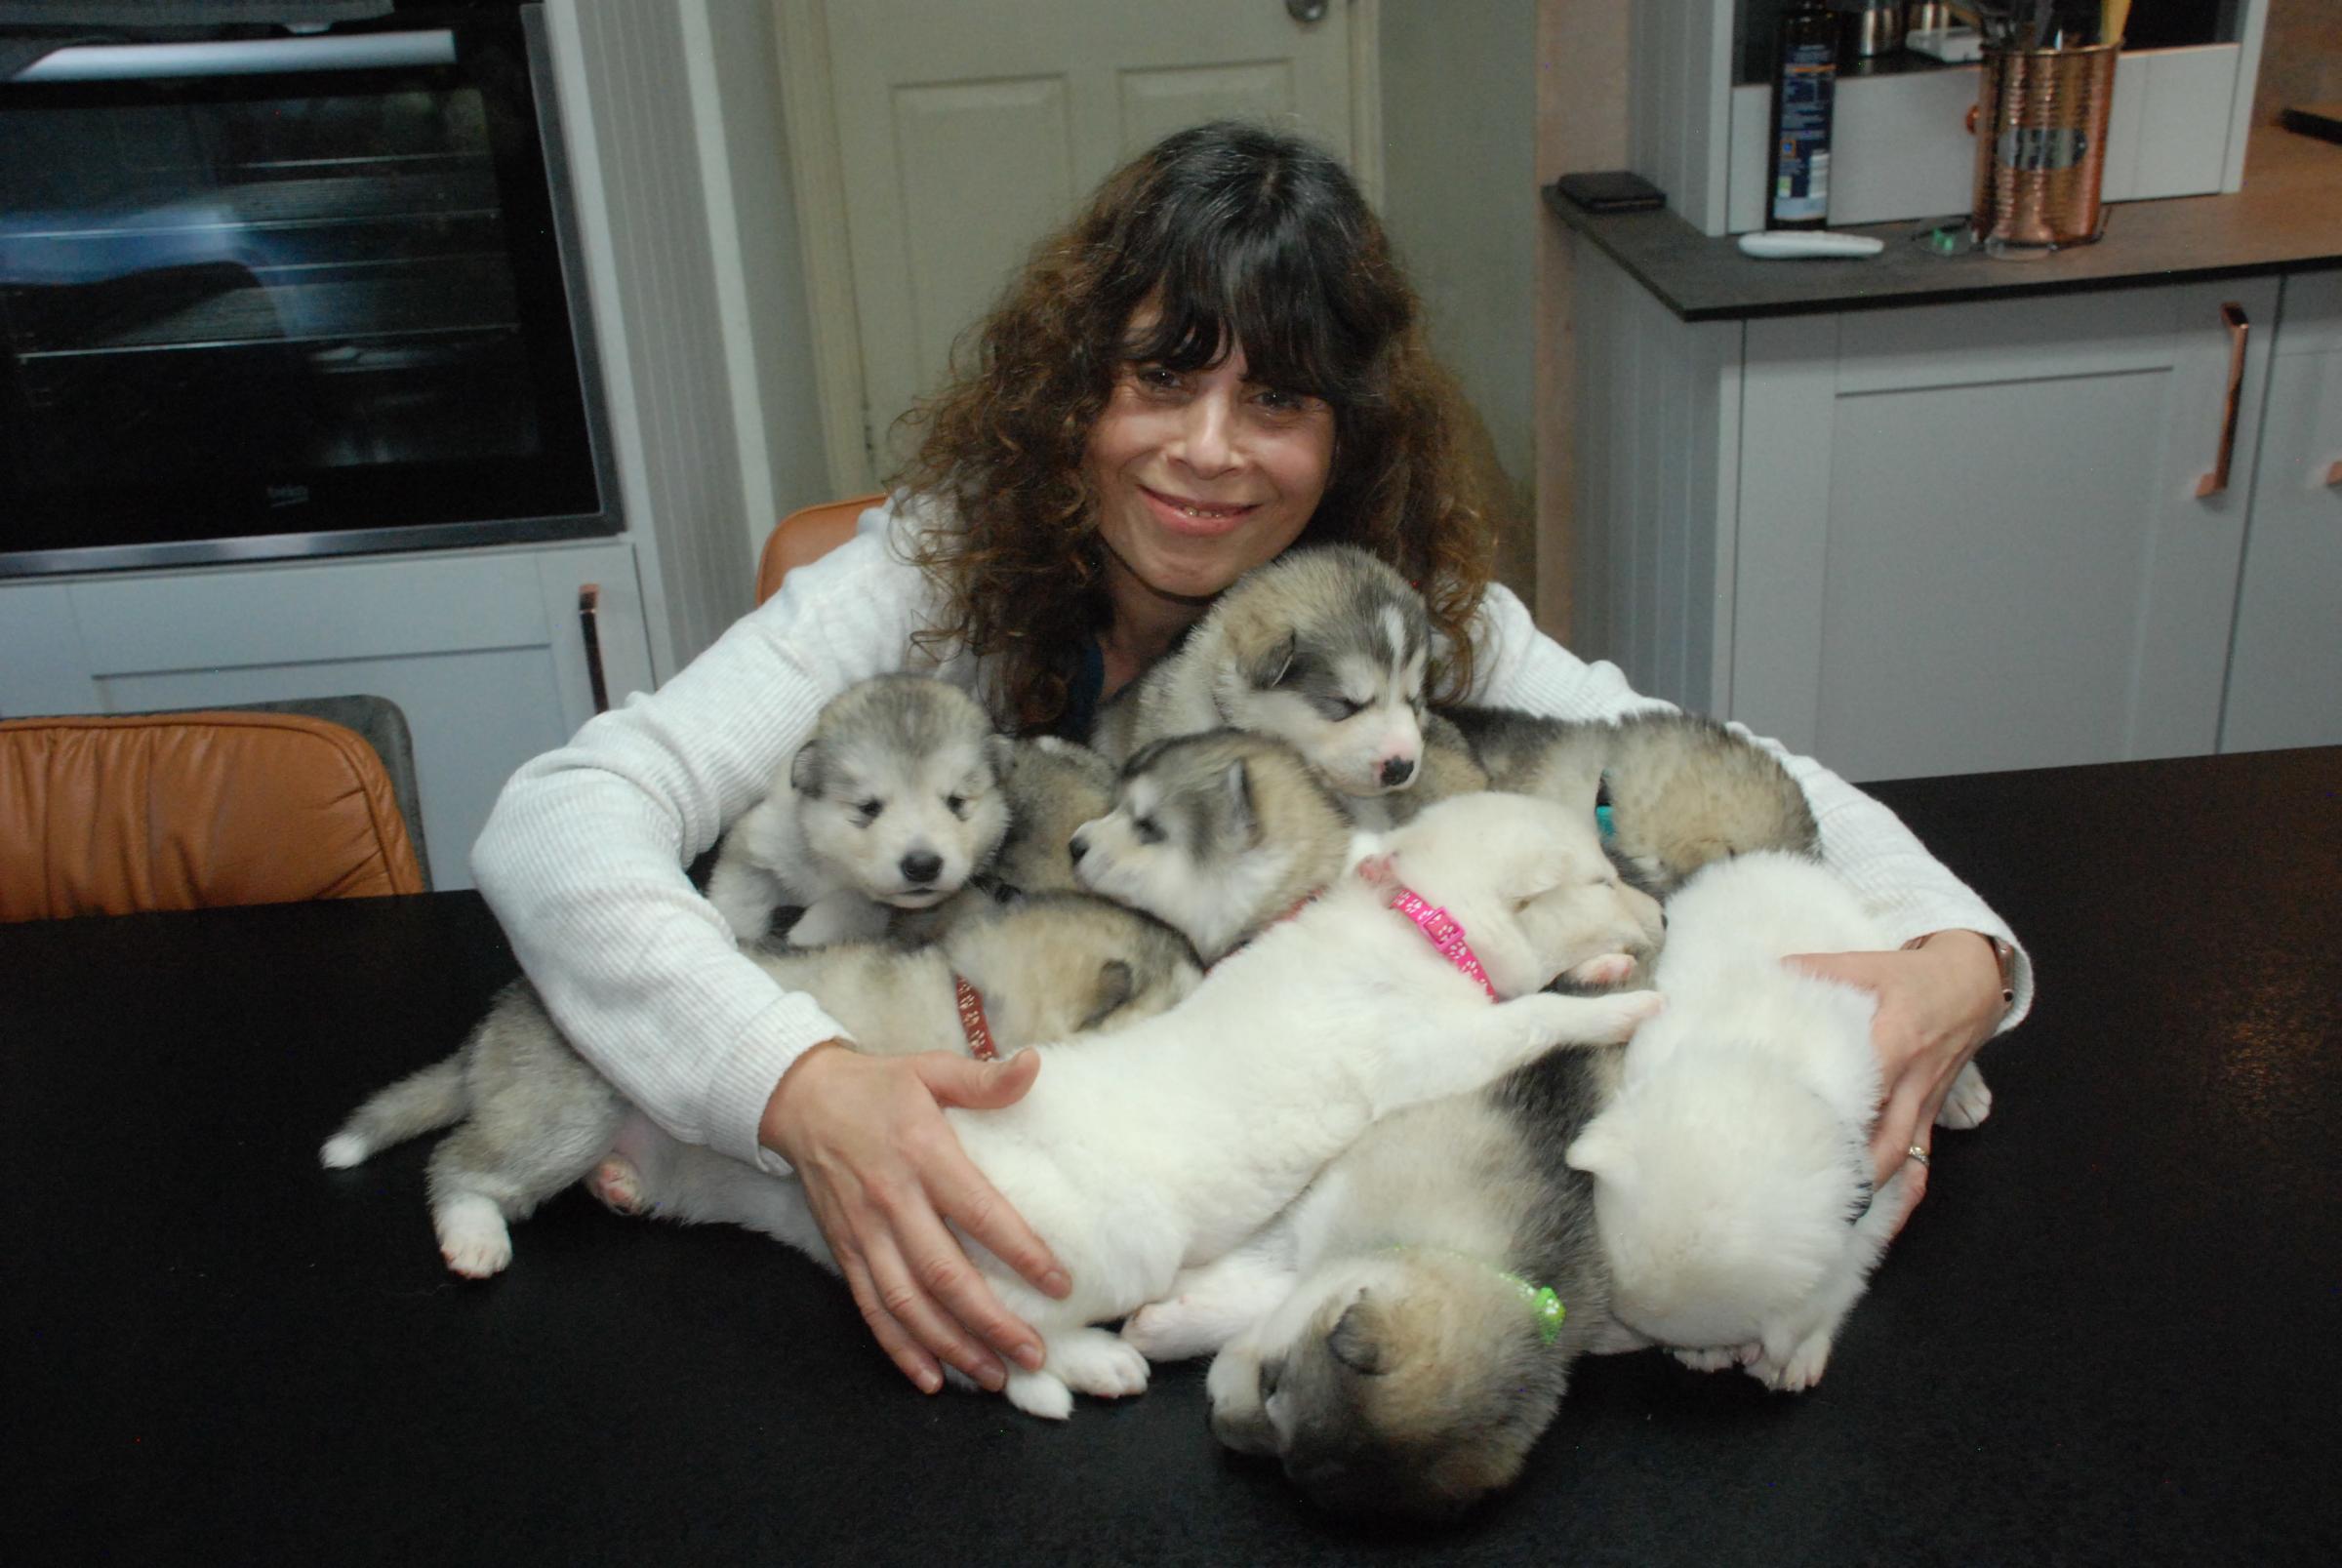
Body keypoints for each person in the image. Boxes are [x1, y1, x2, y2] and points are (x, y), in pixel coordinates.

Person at [470, 121, 2030, 1400]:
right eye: (1162, 379)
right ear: (1074, 386)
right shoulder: (922, 579)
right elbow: (558, 824)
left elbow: (1742, 776)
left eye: (1275, 401)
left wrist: (1959, 959)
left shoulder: (1405, 629)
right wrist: (795, 1083)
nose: (1210, 451)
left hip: (1235, 1267)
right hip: (917, 1253)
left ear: (1344, 437)